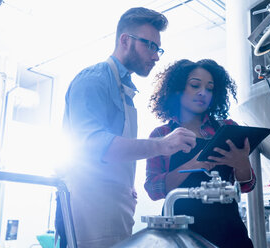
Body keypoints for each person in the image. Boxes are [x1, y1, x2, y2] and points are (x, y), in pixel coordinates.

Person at [56, 8, 200, 248]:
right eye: (150, 46)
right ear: (125, 40)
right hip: (87, 209)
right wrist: (162, 145)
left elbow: (113, 152)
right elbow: (92, 145)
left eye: (158, 48)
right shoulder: (94, 79)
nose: (156, 56)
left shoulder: (124, 88)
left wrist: (124, 187)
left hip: (113, 207)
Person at [145, 59, 256, 248]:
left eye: (210, 88)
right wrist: (192, 165)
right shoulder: (161, 135)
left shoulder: (227, 128)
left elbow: (247, 186)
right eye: (195, 85)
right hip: (180, 231)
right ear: (178, 89)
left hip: (228, 230)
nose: (203, 92)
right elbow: (154, 190)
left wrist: (242, 164)